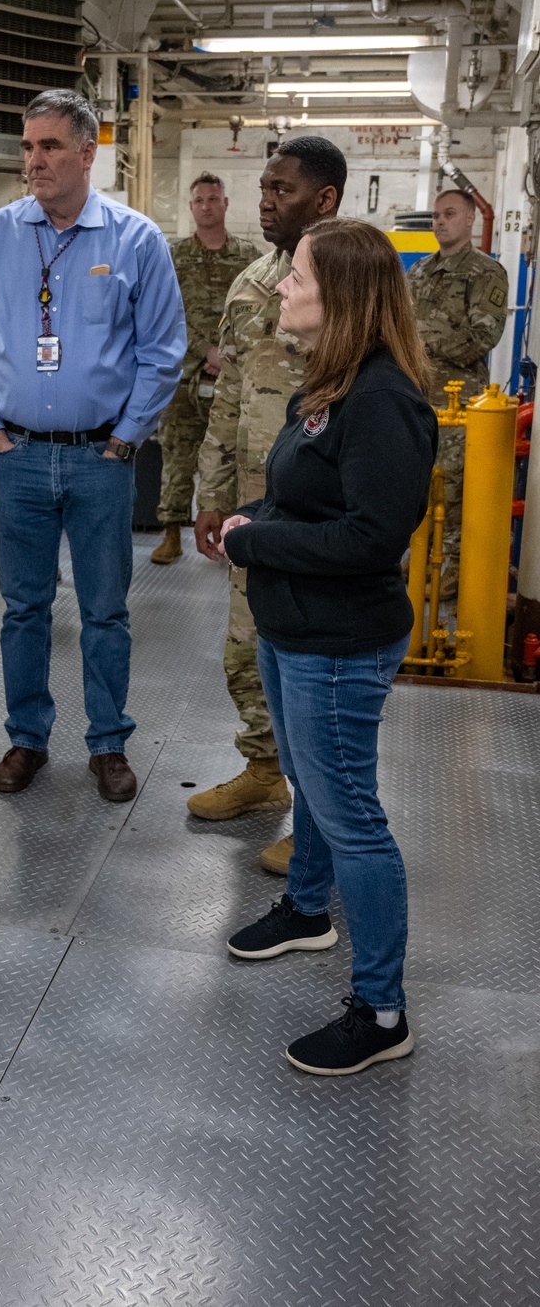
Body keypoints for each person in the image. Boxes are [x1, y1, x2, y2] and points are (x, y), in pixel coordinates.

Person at [222, 217, 437, 1076]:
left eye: (297, 278)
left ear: (340, 296)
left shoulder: (384, 398)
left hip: (339, 642)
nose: (281, 287)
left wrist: (255, 545)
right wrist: (257, 520)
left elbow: (370, 538)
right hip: (295, 626)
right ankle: (308, 909)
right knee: (313, 781)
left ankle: (382, 1010)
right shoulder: (333, 383)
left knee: (354, 818)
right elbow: (312, 501)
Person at [0, 88, 185, 802]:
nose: (33, 161)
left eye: (49, 147)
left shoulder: (136, 240)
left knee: (105, 609)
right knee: (23, 608)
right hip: (16, 455)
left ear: (88, 153)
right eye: (27, 147)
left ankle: (108, 743)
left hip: (99, 459)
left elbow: (163, 351)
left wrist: (125, 438)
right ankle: (27, 737)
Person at [192, 136, 346, 878]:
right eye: (264, 186)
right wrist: (211, 497)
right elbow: (226, 396)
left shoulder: (354, 286)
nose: (265, 200)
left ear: (325, 201)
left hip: (318, 518)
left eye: (283, 189)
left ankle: (319, 825)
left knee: (314, 681)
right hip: (253, 512)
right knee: (247, 658)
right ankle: (262, 772)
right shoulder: (254, 282)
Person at [151, 173, 260, 565]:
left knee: (231, 454)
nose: (206, 206)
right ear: (191, 206)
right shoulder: (174, 257)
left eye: (213, 199)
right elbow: (166, 314)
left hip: (235, 375)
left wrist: (228, 353)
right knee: (178, 454)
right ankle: (170, 533)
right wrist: (203, 350)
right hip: (185, 375)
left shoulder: (250, 257)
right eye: (199, 200)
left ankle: (228, 535)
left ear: (226, 204)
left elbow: (259, 313)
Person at [407, 188, 507, 598]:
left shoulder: (486, 273)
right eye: (435, 215)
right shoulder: (417, 272)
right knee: (416, 479)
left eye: (449, 214)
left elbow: (483, 335)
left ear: (470, 220)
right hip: (415, 396)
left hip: (457, 400)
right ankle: (417, 559)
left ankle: (450, 567)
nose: (439, 221)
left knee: (452, 485)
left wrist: (423, 343)